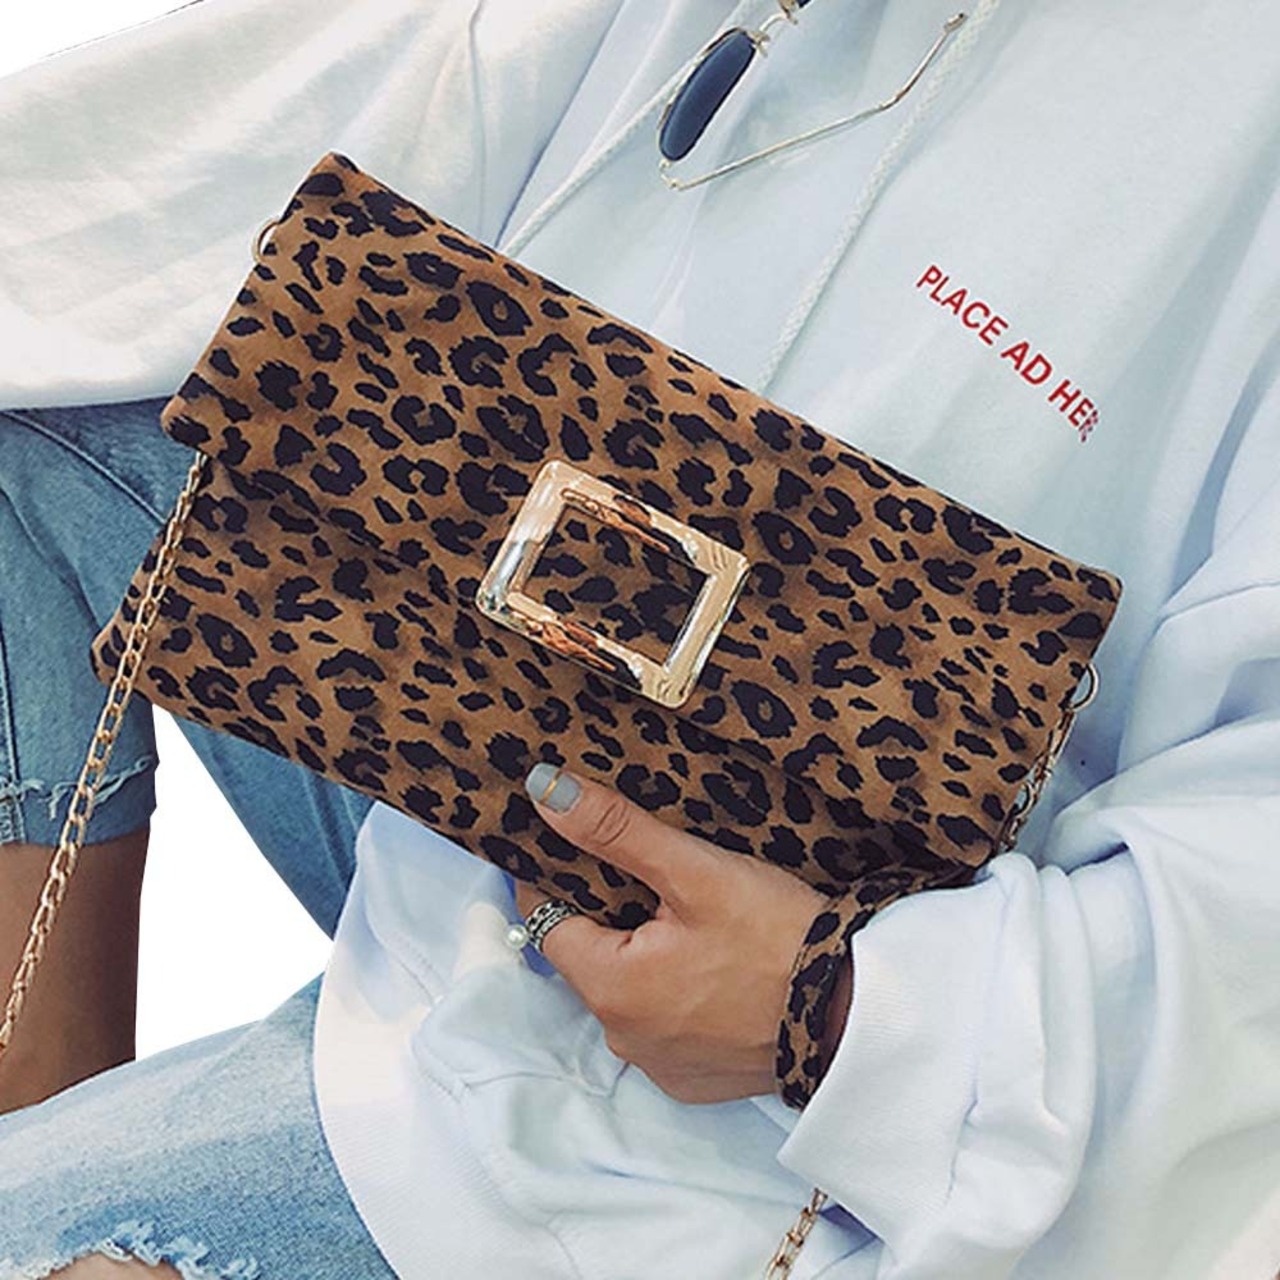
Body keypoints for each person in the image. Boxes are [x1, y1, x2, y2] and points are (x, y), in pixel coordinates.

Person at [1, 0, 1279, 1276]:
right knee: (38, 405)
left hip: (767, 1127)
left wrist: (834, 1008)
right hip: (474, 822)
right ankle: (56, 1116)